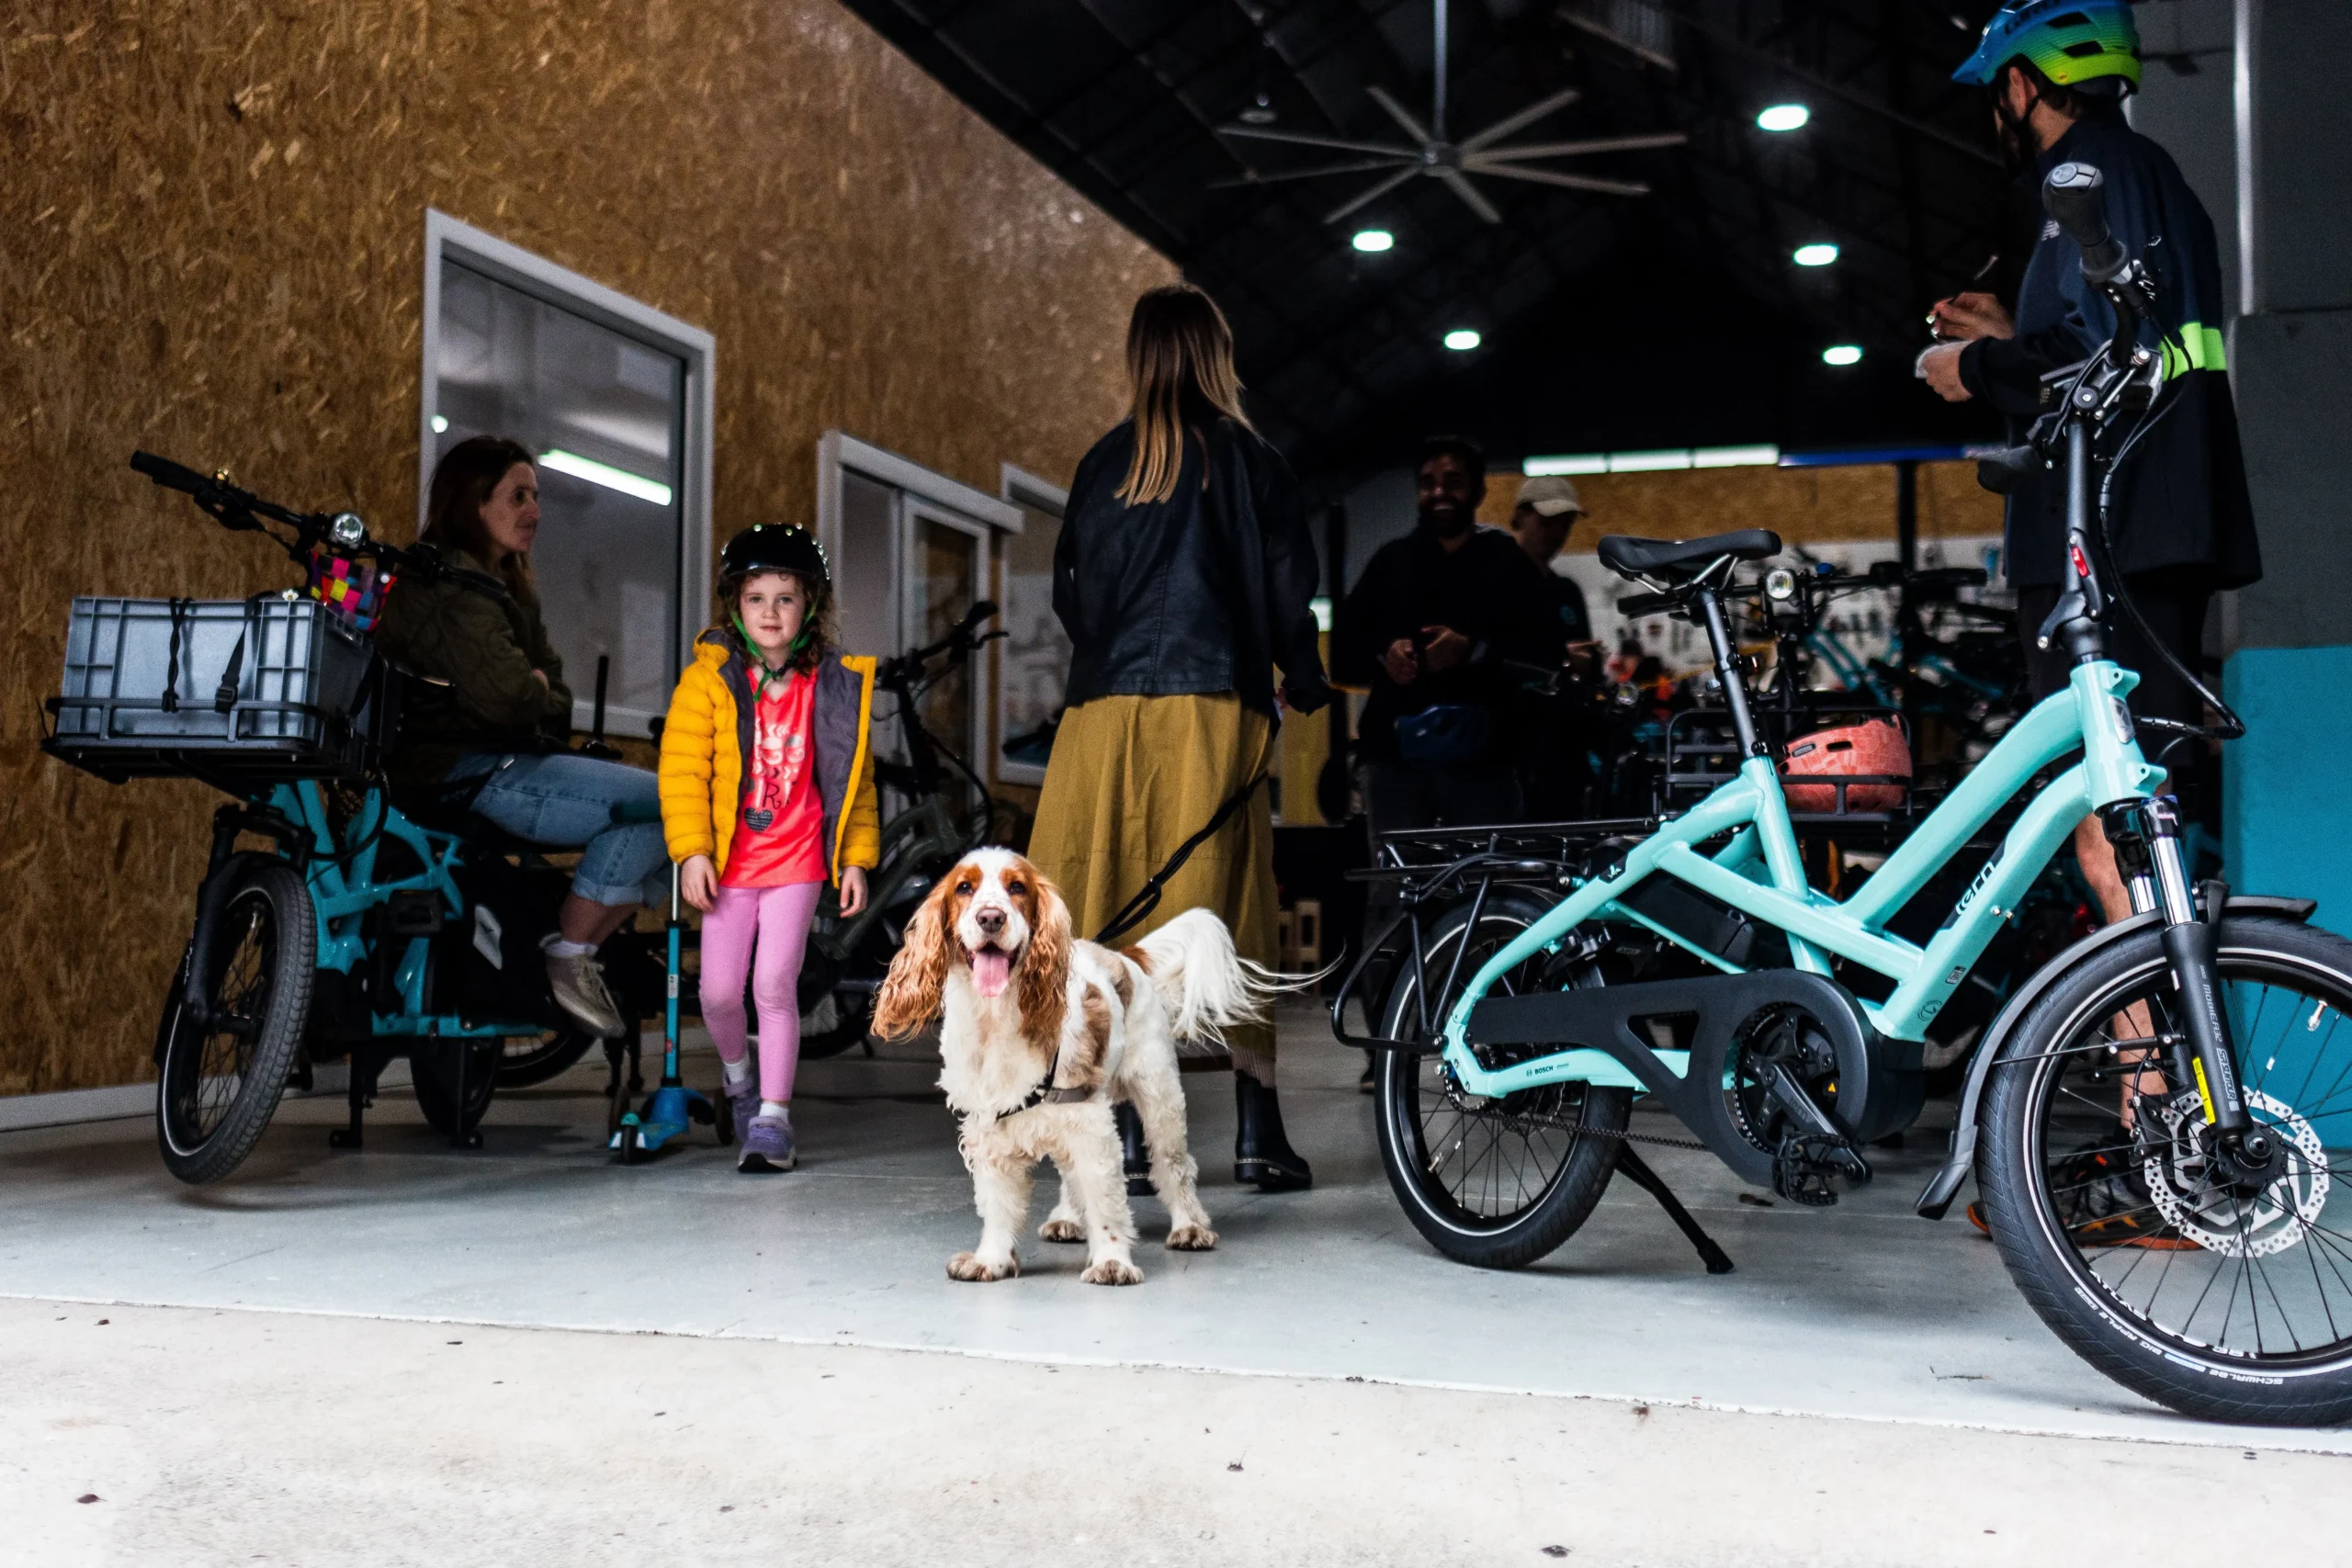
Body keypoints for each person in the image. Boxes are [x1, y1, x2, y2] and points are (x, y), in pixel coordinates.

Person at [1918, 0, 2260, 931]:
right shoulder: (2142, 172)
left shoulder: (2084, 173)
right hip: (2148, 519)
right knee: (2129, 798)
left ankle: (2159, 1073)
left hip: (2107, 525)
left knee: (2107, 807)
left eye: (1999, 93)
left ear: (2023, 85)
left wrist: (1973, 366)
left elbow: (2103, 351)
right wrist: (2012, 333)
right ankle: (2166, 1056)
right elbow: (2125, 331)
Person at [1027, 282, 1332, 1192]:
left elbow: (1069, 589)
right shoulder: (1250, 460)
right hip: (1212, 707)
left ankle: (1116, 1136)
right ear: (1214, 354)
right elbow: (1286, 584)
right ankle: (1255, 1132)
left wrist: (1111, 658)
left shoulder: (1101, 462)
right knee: (1223, 916)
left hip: (1104, 712)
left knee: (1107, 910)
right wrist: (1302, 672)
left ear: (1139, 355)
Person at [376, 436, 668, 1042]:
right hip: (471, 770)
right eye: (517, 496)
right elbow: (513, 696)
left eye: (535, 495)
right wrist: (533, 694)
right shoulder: (454, 587)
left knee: (674, 816)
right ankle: (567, 952)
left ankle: (573, 947)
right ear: (471, 504)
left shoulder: (504, 586)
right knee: (662, 807)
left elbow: (548, 689)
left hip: (500, 758)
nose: (533, 510)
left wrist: (536, 694)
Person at [658, 525, 879, 1173]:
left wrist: (855, 857)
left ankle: (774, 1119)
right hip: (730, 862)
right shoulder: (709, 682)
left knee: (774, 985)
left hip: (798, 859)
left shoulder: (830, 686)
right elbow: (681, 770)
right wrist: (693, 850)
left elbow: (852, 778)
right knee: (720, 993)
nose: (771, 613)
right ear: (734, 604)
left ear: (810, 604)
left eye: (786, 598)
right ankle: (738, 1082)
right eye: (757, 598)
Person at [1334, 436, 1563, 851]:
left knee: (1481, 883)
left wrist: (1472, 650)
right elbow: (1343, 651)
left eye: (1453, 481)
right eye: (1428, 483)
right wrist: (1385, 654)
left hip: (1484, 764)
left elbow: (1546, 653)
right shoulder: (1391, 562)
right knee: (1396, 888)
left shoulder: (1506, 561)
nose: (1439, 492)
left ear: (1478, 490)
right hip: (1394, 761)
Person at [1510, 474, 1606, 821]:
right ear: (1520, 516)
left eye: (1564, 523)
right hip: (1512, 744)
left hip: (1563, 742)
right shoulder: (1494, 583)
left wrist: (1589, 664)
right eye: (1548, 520)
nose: (1557, 532)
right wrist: (1561, 659)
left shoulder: (1566, 591)